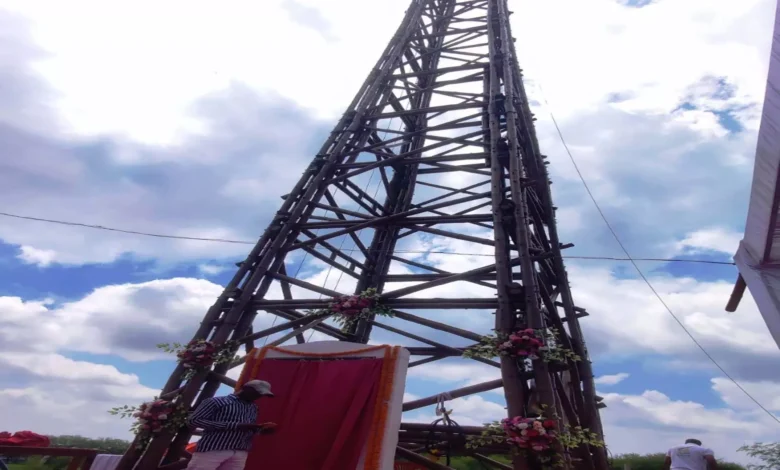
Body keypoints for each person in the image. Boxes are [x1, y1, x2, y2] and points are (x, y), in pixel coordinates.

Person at [186, 380, 276, 470]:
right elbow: (194, 421)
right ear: (245, 388)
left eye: (261, 394)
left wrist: (260, 429)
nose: (258, 396)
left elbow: (247, 427)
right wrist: (235, 425)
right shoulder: (216, 402)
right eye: (257, 392)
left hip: (240, 451)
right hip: (214, 449)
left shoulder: (253, 407)